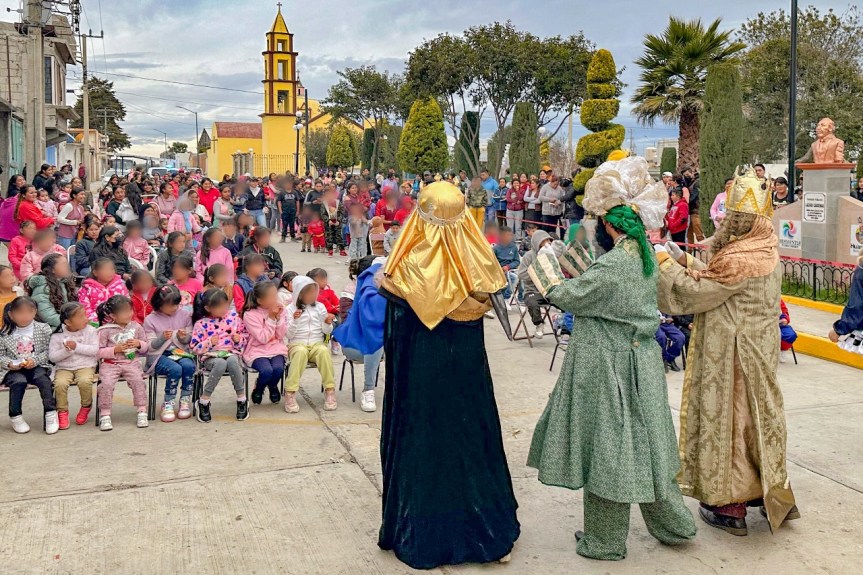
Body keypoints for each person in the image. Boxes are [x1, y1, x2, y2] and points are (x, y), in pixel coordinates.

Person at [527, 156, 695, 560]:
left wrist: (545, 261)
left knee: (610, 451)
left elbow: (569, 295)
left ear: (609, 223)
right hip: (641, 363)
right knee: (647, 448)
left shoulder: (618, 263)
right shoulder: (643, 254)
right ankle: (673, 525)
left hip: (612, 367)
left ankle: (604, 540)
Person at [378, 181, 519, 569]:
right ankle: (489, 535)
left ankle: (424, 534)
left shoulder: (401, 270)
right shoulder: (479, 264)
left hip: (421, 388)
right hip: (467, 384)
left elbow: (397, 341)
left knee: (425, 445)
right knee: (474, 444)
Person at [657, 165, 798, 535]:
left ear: (741, 221)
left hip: (732, 357)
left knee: (731, 425)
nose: (726, 225)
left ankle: (728, 504)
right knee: (759, 420)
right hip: (760, 352)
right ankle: (764, 492)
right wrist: (687, 260)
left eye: (732, 220)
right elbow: (722, 277)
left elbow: (700, 292)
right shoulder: (765, 247)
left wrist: (663, 266)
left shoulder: (738, 257)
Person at [333, 256, 386, 413]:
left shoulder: (383, 289)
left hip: (381, 346)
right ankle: (368, 390)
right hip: (353, 344)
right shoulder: (354, 290)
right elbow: (354, 321)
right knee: (374, 344)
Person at [0, 296, 57, 434]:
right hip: (14, 369)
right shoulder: (5, 333)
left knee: (43, 380)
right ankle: (16, 415)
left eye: (28, 312)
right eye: (20, 313)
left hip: (37, 365)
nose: (24, 316)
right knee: (18, 382)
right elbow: (1, 355)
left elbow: (49, 350)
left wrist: (35, 360)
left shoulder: (43, 329)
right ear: (11, 314)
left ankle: (50, 413)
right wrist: (10, 363)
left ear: (34, 312)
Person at [190, 288, 249, 422]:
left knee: (233, 360)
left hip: (231, 353)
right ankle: (204, 400)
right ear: (208, 308)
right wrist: (209, 342)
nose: (224, 309)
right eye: (219, 307)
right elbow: (194, 348)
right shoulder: (201, 324)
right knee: (220, 363)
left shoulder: (233, 317)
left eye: (226, 305)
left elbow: (245, 337)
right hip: (211, 357)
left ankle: (241, 398)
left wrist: (239, 340)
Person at [283, 275, 337, 413]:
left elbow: (326, 332)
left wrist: (327, 323)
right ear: (299, 294)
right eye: (309, 292)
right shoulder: (289, 309)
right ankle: (290, 392)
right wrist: (295, 321)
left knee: (324, 351)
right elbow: (288, 335)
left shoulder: (320, 307)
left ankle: (329, 390)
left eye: (314, 292)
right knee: (300, 352)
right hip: (296, 343)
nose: (313, 295)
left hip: (316, 342)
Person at [95, 295, 150, 431]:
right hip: (110, 364)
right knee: (106, 384)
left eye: (130, 310)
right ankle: (105, 414)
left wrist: (138, 344)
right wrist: (115, 349)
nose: (128, 314)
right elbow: (97, 351)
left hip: (131, 362)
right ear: (113, 315)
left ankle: (142, 410)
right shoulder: (105, 330)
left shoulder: (136, 327)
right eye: (124, 312)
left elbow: (146, 346)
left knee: (138, 381)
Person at [143, 285, 195, 422]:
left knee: (189, 366)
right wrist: (162, 338)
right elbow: (149, 346)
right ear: (159, 305)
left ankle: (185, 399)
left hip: (180, 353)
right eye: (170, 305)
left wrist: (183, 337)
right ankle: (168, 402)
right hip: (159, 356)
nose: (174, 308)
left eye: (176, 304)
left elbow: (190, 339)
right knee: (175, 369)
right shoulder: (150, 320)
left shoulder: (185, 314)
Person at [48, 302, 99, 429]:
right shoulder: (57, 334)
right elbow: (52, 357)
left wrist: (76, 346)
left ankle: (86, 406)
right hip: (64, 367)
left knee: (84, 381)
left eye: (85, 315)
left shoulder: (91, 331)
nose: (86, 319)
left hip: (86, 365)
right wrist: (66, 351)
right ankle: (62, 411)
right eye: (81, 317)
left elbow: (95, 350)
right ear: (68, 322)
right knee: (60, 384)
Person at [241, 282, 288, 406]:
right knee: (266, 370)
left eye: (275, 295)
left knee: (278, 369)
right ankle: (259, 388)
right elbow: (263, 338)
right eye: (271, 296)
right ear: (260, 300)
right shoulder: (250, 314)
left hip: (276, 348)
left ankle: (272, 386)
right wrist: (271, 319)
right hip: (257, 350)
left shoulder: (279, 309)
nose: (275, 299)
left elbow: (281, 335)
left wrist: (279, 318)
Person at [516, 230, 554, 339]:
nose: (547, 243)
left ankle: (566, 329)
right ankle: (539, 323)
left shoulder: (550, 254)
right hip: (532, 291)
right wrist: (537, 274)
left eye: (548, 241)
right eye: (544, 241)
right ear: (537, 242)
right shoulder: (529, 256)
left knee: (567, 300)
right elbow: (521, 274)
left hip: (548, 290)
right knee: (532, 303)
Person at [25, 253, 77, 330]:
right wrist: (72, 322)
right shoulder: (42, 287)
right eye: (63, 265)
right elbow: (48, 316)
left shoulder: (65, 283)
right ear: (52, 270)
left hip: (66, 323)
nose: (67, 267)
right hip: (49, 328)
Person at [78, 258, 129, 323]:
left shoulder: (120, 286)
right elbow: (85, 308)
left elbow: (127, 304)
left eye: (111, 269)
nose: (109, 272)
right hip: (95, 323)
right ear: (95, 273)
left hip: (119, 321)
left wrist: (119, 318)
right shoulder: (87, 288)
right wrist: (98, 320)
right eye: (105, 270)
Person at [494, 226, 521, 306]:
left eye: (510, 235)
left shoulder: (513, 247)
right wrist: (501, 268)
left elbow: (517, 261)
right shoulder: (496, 248)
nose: (509, 237)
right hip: (500, 271)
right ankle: (505, 298)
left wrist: (509, 266)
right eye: (507, 235)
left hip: (511, 269)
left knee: (522, 276)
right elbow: (493, 262)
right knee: (513, 278)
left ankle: (521, 298)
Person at [779, 299, 797, 363]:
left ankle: (782, 350)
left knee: (790, 335)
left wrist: (785, 319)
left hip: (779, 324)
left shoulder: (778, 298)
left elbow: (785, 312)